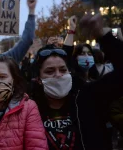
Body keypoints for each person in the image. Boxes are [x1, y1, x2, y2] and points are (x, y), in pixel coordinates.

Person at [31, 13, 123, 149]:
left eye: (63, 70)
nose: (58, 75)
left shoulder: (89, 97)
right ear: (38, 79)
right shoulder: (30, 110)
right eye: (50, 71)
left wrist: (104, 36)